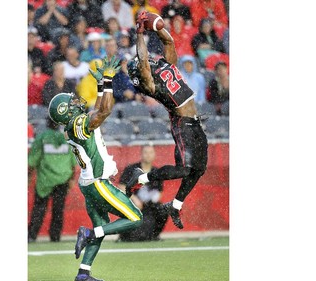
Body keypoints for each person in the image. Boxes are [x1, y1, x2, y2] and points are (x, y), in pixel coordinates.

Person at [48, 56, 143, 281]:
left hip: (89, 183)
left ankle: (83, 274)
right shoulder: (77, 124)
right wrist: (109, 80)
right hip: (97, 182)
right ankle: (88, 233)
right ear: (65, 112)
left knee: (102, 225)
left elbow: (99, 108)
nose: (75, 103)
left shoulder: (73, 124)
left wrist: (101, 85)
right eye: (70, 104)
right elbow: (104, 112)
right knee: (135, 218)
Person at [126, 11, 208, 229]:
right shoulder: (149, 84)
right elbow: (143, 61)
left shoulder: (165, 64)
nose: (150, 60)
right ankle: (140, 178)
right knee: (183, 169)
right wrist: (140, 33)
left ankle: (176, 206)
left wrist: (156, 25)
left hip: (195, 122)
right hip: (182, 124)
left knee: (199, 169)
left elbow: (168, 41)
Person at [28, 117, 77, 242]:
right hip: (63, 179)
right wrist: (72, 179)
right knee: (58, 210)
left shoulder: (42, 138)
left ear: (47, 123)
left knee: (39, 209)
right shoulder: (66, 139)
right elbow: (73, 163)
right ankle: (55, 237)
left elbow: (33, 160)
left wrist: (28, 177)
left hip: (45, 180)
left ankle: (32, 236)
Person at [118, 144, 168, 242]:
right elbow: (121, 186)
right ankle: (124, 235)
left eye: (150, 152)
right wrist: (134, 199)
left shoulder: (157, 172)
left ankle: (154, 235)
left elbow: (160, 192)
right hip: (133, 206)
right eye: (146, 152)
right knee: (135, 236)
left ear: (154, 155)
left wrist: (153, 200)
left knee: (164, 210)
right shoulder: (132, 169)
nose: (148, 155)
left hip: (149, 207)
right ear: (141, 154)